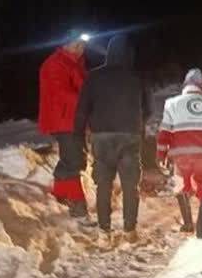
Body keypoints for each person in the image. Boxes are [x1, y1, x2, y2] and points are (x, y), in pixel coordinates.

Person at [74, 34, 149, 246]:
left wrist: (79, 136)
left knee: (103, 187)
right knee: (130, 186)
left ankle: (104, 233)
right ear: (129, 54)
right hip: (129, 137)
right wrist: (135, 122)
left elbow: (81, 110)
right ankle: (129, 231)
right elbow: (149, 109)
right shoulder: (137, 77)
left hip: (102, 138)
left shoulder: (94, 77)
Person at [157, 69, 202, 239]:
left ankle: (188, 224)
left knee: (181, 187)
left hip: (181, 156)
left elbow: (164, 132)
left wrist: (161, 155)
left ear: (185, 85)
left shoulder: (172, 103)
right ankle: (201, 232)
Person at [38, 29, 89, 218]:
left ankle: (61, 193)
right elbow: (62, 93)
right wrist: (88, 99)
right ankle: (76, 206)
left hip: (74, 119)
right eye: (76, 44)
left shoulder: (76, 63)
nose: (80, 48)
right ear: (65, 44)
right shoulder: (55, 64)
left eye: (82, 45)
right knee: (73, 161)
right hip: (63, 119)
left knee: (75, 159)